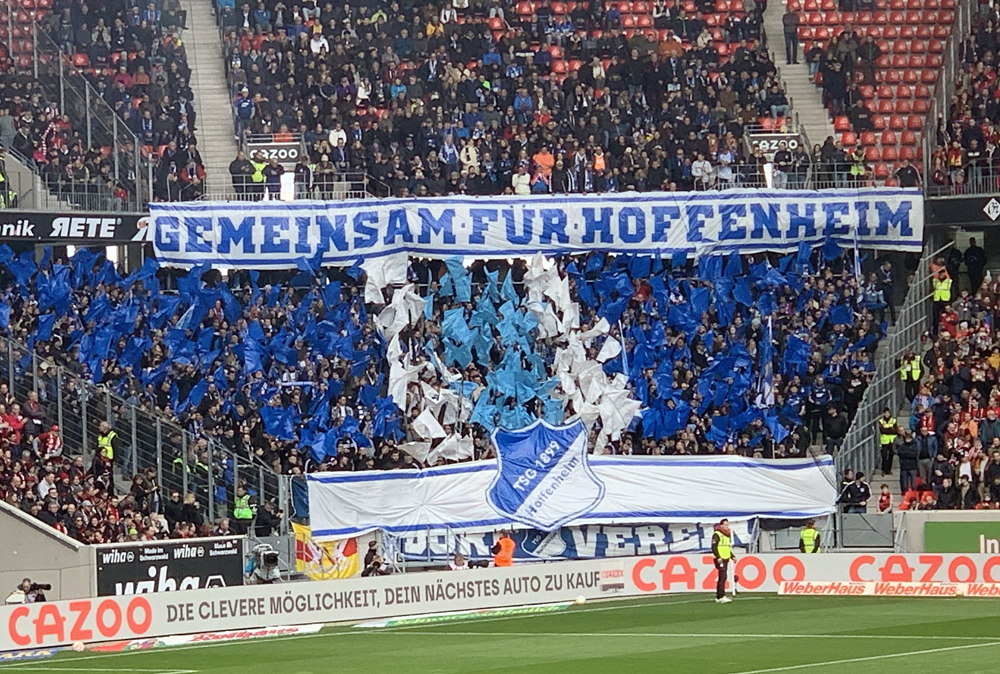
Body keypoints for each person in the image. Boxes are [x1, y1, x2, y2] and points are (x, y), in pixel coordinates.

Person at [711, 519, 734, 603]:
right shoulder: (717, 534)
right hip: (720, 558)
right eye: (725, 525)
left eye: (727, 525)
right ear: (721, 525)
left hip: (726, 557)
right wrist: (718, 557)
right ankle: (722, 596)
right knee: (723, 576)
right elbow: (714, 547)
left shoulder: (727, 535)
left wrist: (732, 556)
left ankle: (718, 596)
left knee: (722, 576)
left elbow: (727, 547)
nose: (727, 526)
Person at [94, 420, 118, 485]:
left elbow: (115, 447)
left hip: (108, 458)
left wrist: (115, 459)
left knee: (109, 475)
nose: (99, 427)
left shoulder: (112, 435)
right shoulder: (100, 435)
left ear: (105, 427)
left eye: (100, 426)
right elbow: (97, 445)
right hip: (99, 458)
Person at [877, 408, 897, 476]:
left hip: (892, 440)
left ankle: (889, 470)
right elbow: (882, 430)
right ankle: (884, 470)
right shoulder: (881, 421)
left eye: (888, 413)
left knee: (891, 455)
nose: (887, 414)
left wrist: (887, 430)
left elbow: (895, 430)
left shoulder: (893, 420)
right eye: (885, 413)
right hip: (884, 441)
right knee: (884, 456)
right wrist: (890, 429)